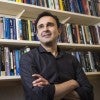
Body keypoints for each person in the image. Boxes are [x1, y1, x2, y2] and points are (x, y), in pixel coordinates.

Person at [20, 11, 94, 100]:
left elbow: (89, 94)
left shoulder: (72, 59)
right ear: (37, 34)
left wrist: (50, 88)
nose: (45, 29)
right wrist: (72, 83)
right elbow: (37, 96)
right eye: (41, 26)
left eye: (50, 25)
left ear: (59, 31)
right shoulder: (27, 58)